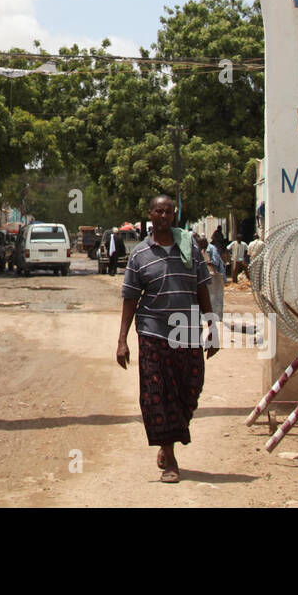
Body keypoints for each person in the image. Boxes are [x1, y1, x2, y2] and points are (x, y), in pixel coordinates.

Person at [116, 194, 217, 483]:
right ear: (149, 214)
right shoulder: (140, 255)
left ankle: (170, 438)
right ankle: (169, 454)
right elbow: (130, 299)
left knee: (190, 389)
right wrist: (122, 340)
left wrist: (213, 328)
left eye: (168, 212)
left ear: (174, 216)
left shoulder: (190, 249)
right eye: (158, 211)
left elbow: (202, 290)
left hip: (187, 331)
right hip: (152, 332)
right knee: (158, 395)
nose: (163, 216)